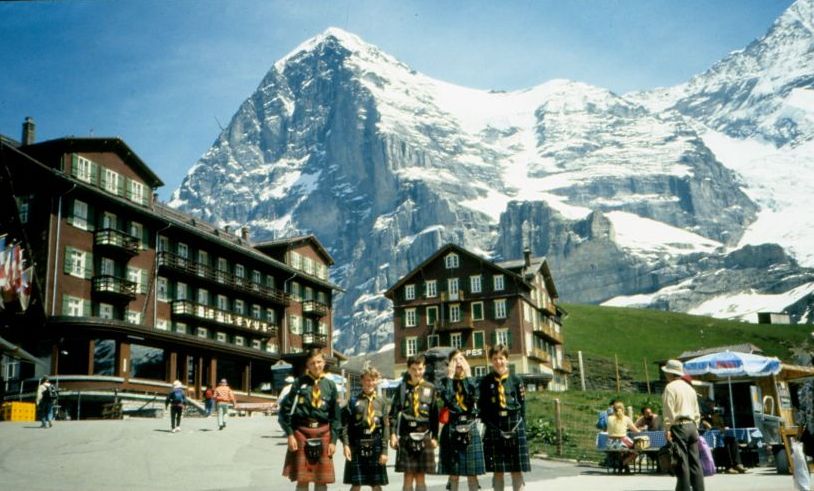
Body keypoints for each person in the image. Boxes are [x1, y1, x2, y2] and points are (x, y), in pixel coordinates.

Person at [279, 349, 341, 490]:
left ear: (324, 363)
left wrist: (333, 441)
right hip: (301, 433)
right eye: (312, 363)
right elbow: (284, 412)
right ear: (307, 365)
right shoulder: (298, 384)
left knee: (321, 480)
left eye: (319, 362)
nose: (316, 365)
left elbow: (336, 417)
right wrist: (290, 434)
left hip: (324, 432)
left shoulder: (330, 385)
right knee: (302, 479)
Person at [479, 345, 530, 491]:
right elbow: (483, 407)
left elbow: (522, 406)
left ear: (507, 360)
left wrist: (523, 428)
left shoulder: (516, 380)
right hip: (495, 426)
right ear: (491, 361)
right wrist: (489, 425)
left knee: (516, 469)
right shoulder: (486, 382)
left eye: (501, 358)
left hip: (515, 424)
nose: (498, 362)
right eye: (495, 359)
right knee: (498, 470)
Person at [389, 353, 438, 491]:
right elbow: (392, 414)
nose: (417, 372)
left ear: (424, 368)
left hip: (424, 434)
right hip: (406, 435)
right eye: (414, 369)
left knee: (421, 477)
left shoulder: (430, 388)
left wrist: (435, 437)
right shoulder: (402, 388)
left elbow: (435, 416)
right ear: (409, 369)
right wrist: (392, 435)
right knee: (408, 476)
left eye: (420, 369)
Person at [437, 349, 484, 491]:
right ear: (449, 364)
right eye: (455, 360)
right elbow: (448, 400)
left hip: (469, 425)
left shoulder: (473, 381)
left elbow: (475, 397)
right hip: (452, 426)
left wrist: (469, 375)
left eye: (461, 359)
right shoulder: (444, 382)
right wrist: (450, 377)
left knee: (472, 474)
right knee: (454, 474)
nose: (458, 362)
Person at [342, 366, 389, 491]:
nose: (370, 383)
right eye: (367, 380)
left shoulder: (381, 402)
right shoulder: (353, 401)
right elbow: (345, 425)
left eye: (373, 380)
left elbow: (386, 428)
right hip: (357, 443)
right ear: (361, 381)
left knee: (376, 484)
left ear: (377, 381)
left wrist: (384, 451)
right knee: (356, 483)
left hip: (376, 443)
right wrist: (346, 445)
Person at [662, 359, 705, 491]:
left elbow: (668, 410)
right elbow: (697, 411)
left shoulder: (670, 387)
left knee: (682, 463)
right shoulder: (690, 388)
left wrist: (668, 428)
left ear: (670, 373)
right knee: (695, 463)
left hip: (679, 426)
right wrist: (695, 425)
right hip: (692, 426)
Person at [699, 400, 746, 474]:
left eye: (713, 405)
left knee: (732, 439)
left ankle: (737, 464)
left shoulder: (716, 415)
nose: (713, 407)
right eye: (711, 405)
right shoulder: (703, 417)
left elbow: (721, 425)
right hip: (709, 438)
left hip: (719, 435)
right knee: (724, 442)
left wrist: (722, 426)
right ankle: (728, 467)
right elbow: (708, 427)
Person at [606, 401, 640, 473]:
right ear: (623, 409)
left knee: (624, 450)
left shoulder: (609, 418)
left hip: (610, 443)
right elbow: (636, 431)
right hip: (621, 442)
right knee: (637, 450)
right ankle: (622, 464)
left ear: (613, 409)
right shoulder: (626, 418)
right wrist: (641, 430)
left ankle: (624, 465)